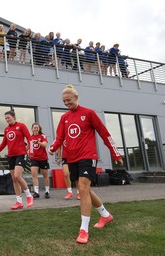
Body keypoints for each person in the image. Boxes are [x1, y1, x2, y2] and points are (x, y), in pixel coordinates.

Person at [49, 84, 123, 244]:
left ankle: (84, 230)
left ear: (76, 97)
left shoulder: (89, 113)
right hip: (72, 158)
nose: (66, 103)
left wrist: (115, 152)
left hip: (88, 156)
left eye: (68, 100)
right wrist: (53, 147)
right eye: (64, 101)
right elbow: (59, 137)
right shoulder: (64, 118)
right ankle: (105, 215)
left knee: (82, 189)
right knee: (85, 190)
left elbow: (104, 133)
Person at [0, 110, 34, 210]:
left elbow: (30, 138)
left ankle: (29, 195)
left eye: (8, 118)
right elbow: (4, 143)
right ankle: (19, 202)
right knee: (14, 180)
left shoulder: (21, 126)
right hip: (10, 156)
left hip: (21, 154)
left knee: (17, 176)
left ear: (13, 117)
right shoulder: (6, 129)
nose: (7, 120)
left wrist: (31, 152)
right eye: (5, 118)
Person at [28, 123, 50, 199]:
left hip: (43, 158)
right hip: (34, 158)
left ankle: (47, 191)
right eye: (34, 127)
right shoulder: (30, 137)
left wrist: (39, 142)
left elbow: (45, 145)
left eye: (37, 127)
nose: (36, 129)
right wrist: (27, 151)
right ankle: (36, 192)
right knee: (34, 175)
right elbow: (28, 147)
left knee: (45, 175)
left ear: (39, 128)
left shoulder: (42, 136)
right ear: (32, 129)